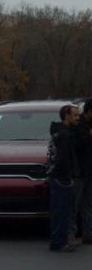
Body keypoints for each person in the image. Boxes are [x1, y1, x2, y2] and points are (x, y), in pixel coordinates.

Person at [48, 104, 82, 252]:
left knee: (60, 211)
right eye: (74, 115)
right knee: (62, 211)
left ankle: (59, 241)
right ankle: (58, 242)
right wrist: (68, 177)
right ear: (66, 116)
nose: (77, 118)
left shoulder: (60, 132)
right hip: (61, 178)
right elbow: (63, 159)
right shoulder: (64, 135)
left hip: (57, 177)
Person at [77, 100, 92, 242]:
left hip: (88, 171)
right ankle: (72, 233)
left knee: (87, 203)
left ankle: (88, 233)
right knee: (76, 204)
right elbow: (79, 145)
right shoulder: (79, 126)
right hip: (80, 172)